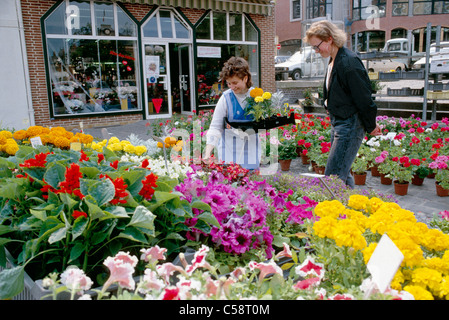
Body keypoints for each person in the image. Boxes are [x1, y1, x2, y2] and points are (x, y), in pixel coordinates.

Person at [304, 20, 382, 188]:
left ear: (329, 39)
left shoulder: (348, 62)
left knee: (334, 176)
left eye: (317, 46)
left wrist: (371, 125)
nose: (316, 51)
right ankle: (350, 209)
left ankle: (337, 211)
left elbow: (364, 98)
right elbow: (338, 91)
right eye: (314, 48)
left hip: (349, 124)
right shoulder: (335, 60)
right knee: (341, 174)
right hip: (340, 122)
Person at [203, 57, 261, 170]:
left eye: (235, 83)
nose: (232, 87)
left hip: (251, 154)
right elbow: (215, 127)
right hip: (228, 156)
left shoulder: (257, 97)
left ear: (245, 78)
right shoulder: (226, 99)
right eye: (229, 83)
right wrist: (207, 153)